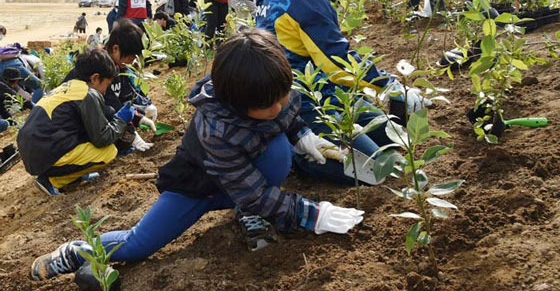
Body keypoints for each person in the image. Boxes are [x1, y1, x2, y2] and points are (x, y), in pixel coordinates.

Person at [30, 29, 364, 281]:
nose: (279, 106)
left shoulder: (270, 84)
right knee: (140, 245)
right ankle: (77, 250)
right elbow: (253, 190)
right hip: (198, 186)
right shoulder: (215, 129)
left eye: (281, 95)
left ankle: (249, 213)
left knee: (279, 153)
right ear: (236, 102)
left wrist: (302, 133)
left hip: (241, 183)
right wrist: (310, 213)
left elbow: (287, 110)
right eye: (268, 105)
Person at [256, 0, 429, 184]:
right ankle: (296, 152)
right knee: (375, 170)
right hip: (301, 103)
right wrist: (390, 85)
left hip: (326, 91)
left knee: (394, 136)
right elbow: (336, 60)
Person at [18, 48, 134, 196]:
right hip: (45, 154)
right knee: (108, 152)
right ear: (95, 78)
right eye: (107, 84)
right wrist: (121, 120)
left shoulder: (68, 86)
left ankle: (71, 176)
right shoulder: (88, 94)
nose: (106, 91)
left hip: (33, 151)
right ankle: (52, 181)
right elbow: (102, 138)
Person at [64, 19, 156, 152]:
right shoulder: (99, 67)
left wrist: (138, 117)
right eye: (130, 58)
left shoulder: (119, 67)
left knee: (130, 114)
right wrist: (133, 134)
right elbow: (111, 104)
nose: (132, 62)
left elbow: (124, 98)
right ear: (116, 49)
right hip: (75, 125)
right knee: (111, 120)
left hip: (93, 115)